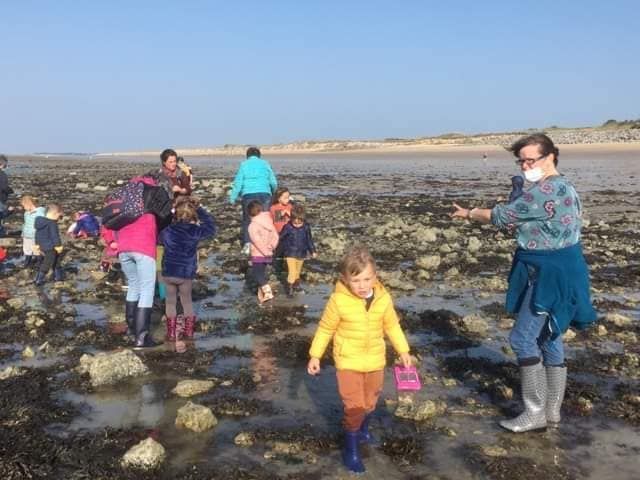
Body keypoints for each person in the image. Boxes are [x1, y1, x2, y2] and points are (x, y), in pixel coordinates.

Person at [450, 133, 596, 433]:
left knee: (522, 339)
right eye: (522, 161)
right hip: (567, 268)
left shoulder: (547, 190)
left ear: (550, 156)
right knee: (549, 335)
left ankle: (535, 413)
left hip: (549, 273)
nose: (526, 166)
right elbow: (523, 218)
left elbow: (504, 217)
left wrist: (469, 213)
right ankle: (552, 411)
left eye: (531, 160)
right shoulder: (566, 186)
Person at [307, 245, 412, 474]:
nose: (362, 285)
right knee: (355, 406)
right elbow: (325, 328)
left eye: (367, 279)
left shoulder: (383, 298)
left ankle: (363, 431)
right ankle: (351, 450)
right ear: (345, 279)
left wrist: (404, 351)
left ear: (375, 276)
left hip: (375, 360)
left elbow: (392, 326)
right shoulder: (338, 300)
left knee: (371, 400)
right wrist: (315, 355)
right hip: (348, 361)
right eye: (356, 281)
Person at [159, 196, 216, 341]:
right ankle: (188, 332)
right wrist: (200, 209)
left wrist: (170, 214)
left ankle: (171, 333)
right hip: (185, 272)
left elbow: (158, 238)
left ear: (176, 215)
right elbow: (211, 228)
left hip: (169, 271)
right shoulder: (195, 231)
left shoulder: (168, 231)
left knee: (170, 302)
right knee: (187, 302)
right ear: (193, 216)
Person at [114, 176, 160, 348]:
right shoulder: (151, 201)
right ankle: (142, 337)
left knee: (133, 285)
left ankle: (131, 329)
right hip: (143, 247)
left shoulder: (125, 202)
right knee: (147, 289)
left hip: (123, 248)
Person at [229, 147, 278, 255]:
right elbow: (273, 181)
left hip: (248, 194)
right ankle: (267, 243)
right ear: (259, 155)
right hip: (265, 194)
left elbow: (238, 182)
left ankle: (247, 244)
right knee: (265, 219)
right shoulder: (265, 164)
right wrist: (274, 192)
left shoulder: (244, 164)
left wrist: (233, 197)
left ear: (247, 156)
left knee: (248, 219)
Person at [279, 204, 317, 297]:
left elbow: (309, 240)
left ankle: (296, 285)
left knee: (297, 271)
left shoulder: (306, 227)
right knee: (292, 271)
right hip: (290, 252)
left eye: (299, 223)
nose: (297, 225)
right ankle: (290, 290)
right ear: (291, 219)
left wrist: (312, 251)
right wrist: (279, 250)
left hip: (302, 252)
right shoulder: (287, 227)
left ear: (303, 220)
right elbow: (281, 238)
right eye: (294, 223)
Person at [247, 200, 279, 304]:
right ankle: (261, 293)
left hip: (258, 254)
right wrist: (272, 247)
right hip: (269, 251)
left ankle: (267, 291)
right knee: (262, 272)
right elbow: (275, 235)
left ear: (249, 213)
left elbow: (257, 242)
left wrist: (266, 252)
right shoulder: (268, 221)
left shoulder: (252, 226)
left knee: (257, 274)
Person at [34, 204, 64, 285]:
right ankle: (39, 280)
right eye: (59, 216)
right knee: (47, 263)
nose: (59, 219)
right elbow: (55, 236)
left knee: (56, 260)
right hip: (51, 247)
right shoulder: (52, 223)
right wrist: (58, 246)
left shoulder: (39, 221)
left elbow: (37, 234)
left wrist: (37, 244)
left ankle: (59, 277)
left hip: (42, 246)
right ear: (55, 213)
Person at [20, 195, 46, 267]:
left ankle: (39, 260)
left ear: (29, 204)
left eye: (24, 206)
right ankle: (27, 260)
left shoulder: (40, 212)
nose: (23, 208)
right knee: (26, 248)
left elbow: (43, 223)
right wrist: (23, 233)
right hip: (26, 234)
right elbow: (25, 223)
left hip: (35, 234)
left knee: (36, 248)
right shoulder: (26, 213)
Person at [0, 155, 15, 237]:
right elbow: (4, 187)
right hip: (1, 199)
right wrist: (11, 191)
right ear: (3, 164)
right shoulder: (2, 175)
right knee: (1, 216)